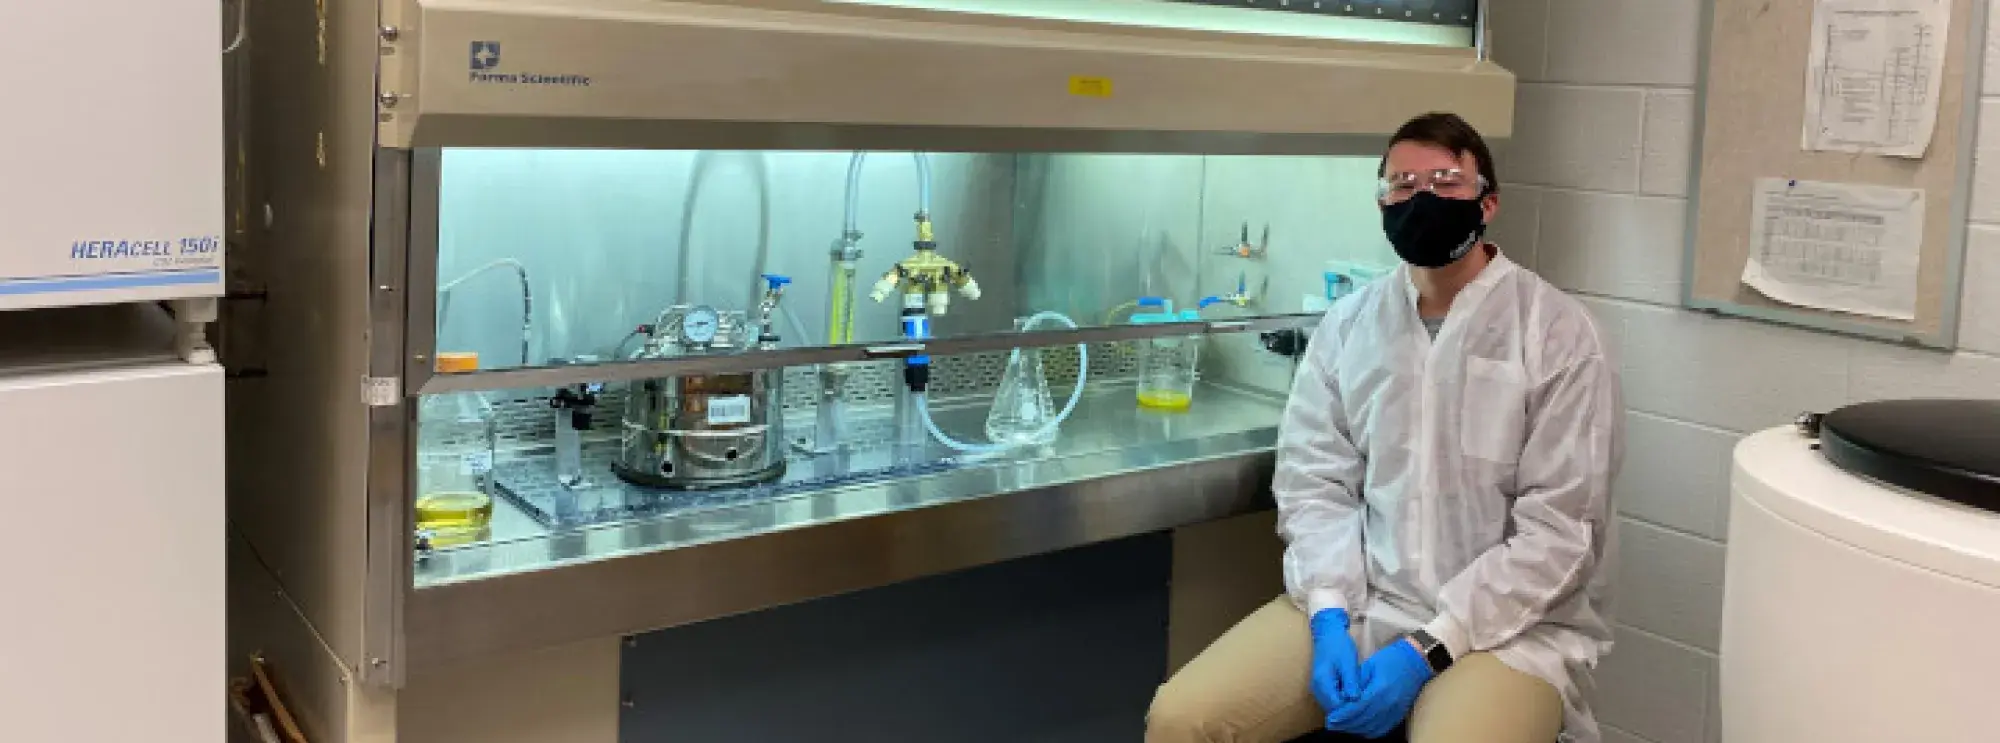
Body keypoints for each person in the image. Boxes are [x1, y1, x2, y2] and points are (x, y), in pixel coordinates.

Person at [1145, 112, 1624, 743]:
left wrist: (1428, 648)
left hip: (1506, 630)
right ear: (1381, 204)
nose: (1421, 197)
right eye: (1401, 185)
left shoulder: (1557, 334)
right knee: (1185, 721)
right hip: (1365, 603)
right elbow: (1316, 486)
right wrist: (1326, 615)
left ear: (1489, 202)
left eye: (1446, 181)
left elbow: (1560, 534)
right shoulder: (1349, 327)